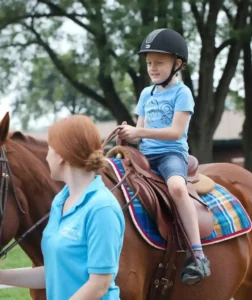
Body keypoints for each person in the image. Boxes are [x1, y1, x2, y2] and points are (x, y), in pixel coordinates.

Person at [118, 28, 210, 285]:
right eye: (149, 63)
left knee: (177, 188)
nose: (153, 68)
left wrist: (139, 131)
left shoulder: (182, 93)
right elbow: (139, 133)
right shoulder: (147, 94)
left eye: (159, 62)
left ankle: (198, 254)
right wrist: (127, 133)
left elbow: (175, 132)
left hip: (170, 154)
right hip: (144, 155)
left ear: (177, 63)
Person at [0, 115, 125, 299]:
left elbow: (99, 284)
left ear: (62, 156)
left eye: (50, 149)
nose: (46, 155)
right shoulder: (60, 201)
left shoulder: (102, 208)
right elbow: (54, 273)